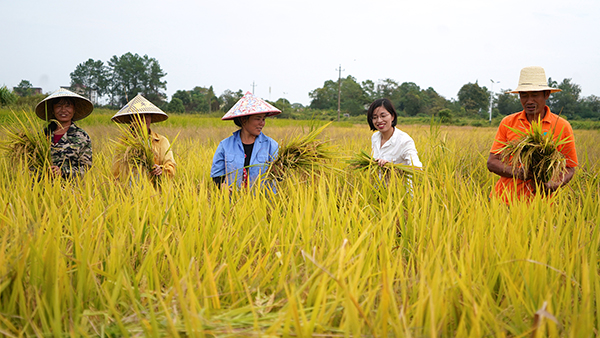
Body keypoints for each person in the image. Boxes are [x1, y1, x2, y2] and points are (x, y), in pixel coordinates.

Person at [487, 66, 578, 202]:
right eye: (524, 95)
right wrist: (519, 173)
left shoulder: (562, 126)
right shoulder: (508, 122)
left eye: (535, 94)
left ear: (546, 94)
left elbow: (570, 167)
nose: (529, 101)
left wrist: (554, 185)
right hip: (503, 200)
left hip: (542, 204)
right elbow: (492, 162)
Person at [211, 91, 280, 189]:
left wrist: (279, 172)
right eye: (257, 118)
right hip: (233, 201)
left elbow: (279, 177)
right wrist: (222, 186)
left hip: (262, 201)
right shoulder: (225, 145)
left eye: (263, 119)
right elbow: (217, 176)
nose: (262, 123)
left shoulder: (271, 146)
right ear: (243, 120)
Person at [111, 94, 176, 180]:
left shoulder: (161, 141)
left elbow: (171, 168)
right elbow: (115, 173)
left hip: (152, 191)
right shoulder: (123, 143)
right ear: (131, 119)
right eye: (139, 116)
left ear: (151, 118)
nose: (143, 119)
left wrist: (161, 169)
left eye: (147, 115)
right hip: (128, 190)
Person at [35, 88, 93, 179]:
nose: (63, 110)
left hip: (71, 190)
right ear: (53, 110)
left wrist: (63, 172)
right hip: (43, 188)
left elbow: (85, 168)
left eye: (68, 106)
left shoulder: (82, 137)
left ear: (74, 110)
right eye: (58, 106)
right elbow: (32, 164)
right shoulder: (42, 135)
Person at [367, 98, 422, 169]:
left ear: (392, 116)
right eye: (375, 117)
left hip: (397, 180)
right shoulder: (375, 137)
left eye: (383, 116)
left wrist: (391, 167)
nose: (379, 120)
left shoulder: (404, 140)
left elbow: (417, 168)